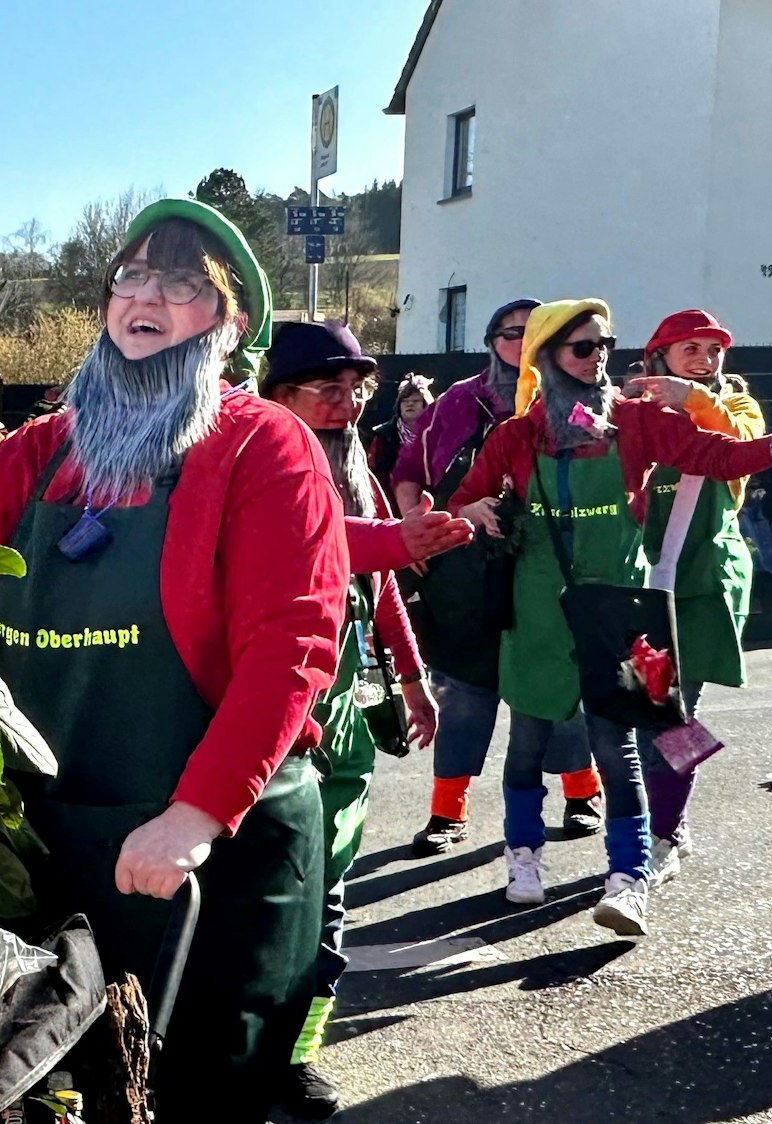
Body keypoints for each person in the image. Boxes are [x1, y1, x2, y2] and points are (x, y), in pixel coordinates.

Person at [0, 197, 346, 1119]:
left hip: (208, 858)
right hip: (54, 845)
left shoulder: (264, 446)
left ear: (229, 322)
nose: (147, 296)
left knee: (197, 1099)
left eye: (181, 284)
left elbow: (291, 644)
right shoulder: (36, 455)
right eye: (133, 276)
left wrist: (196, 815)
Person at [452, 299, 772, 935]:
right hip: (537, 605)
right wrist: (476, 510)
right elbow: (464, 499)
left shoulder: (636, 421)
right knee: (529, 739)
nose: (599, 359)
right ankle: (523, 855)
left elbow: (725, 457)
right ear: (547, 359)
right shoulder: (517, 435)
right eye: (583, 348)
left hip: (620, 602)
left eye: (604, 345)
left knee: (622, 748)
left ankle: (629, 878)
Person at [260, 320, 466, 1119]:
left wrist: (412, 680)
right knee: (268, 894)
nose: (347, 404)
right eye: (326, 389)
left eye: (356, 389)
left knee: (330, 894)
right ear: (277, 397)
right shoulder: (254, 466)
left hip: (342, 716)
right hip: (269, 715)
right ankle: (246, 1045)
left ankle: (301, 1052)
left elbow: (378, 590)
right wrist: (390, 538)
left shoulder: (358, 470)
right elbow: (314, 541)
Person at [389, 301, 603, 856]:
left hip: (550, 562)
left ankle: (583, 793)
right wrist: (414, 526)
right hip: (465, 564)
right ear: (492, 340)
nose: (524, 343)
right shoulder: (457, 403)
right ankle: (447, 812)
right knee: (463, 690)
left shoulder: (585, 404)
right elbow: (410, 470)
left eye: (538, 333)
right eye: (514, 333)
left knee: (561, 683)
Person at [621, 311, 763, 887]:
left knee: (676, 714)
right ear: (659, 355)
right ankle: (637, 828)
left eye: (713, 349)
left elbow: (745, 444)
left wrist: (695, 399)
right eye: (690, 349)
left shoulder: (737, 405)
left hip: (702, 583)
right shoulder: (632, 406)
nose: (705, 359)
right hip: (634, 577)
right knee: (633, 717)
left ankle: (667, 833)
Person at [369, 374, 432, 496]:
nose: (409, 404)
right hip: (391, 499)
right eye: (405, 401)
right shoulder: (383, 434)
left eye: (415, 401)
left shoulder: (438, 433)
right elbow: (374, 471)